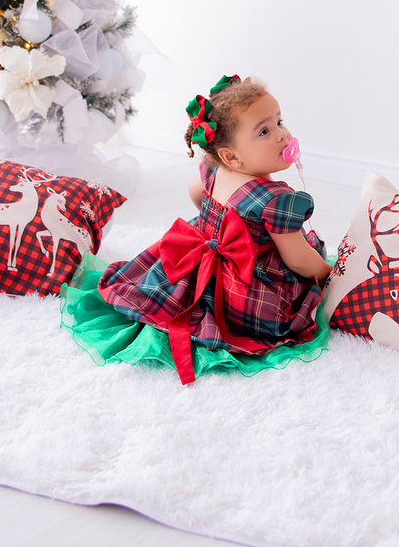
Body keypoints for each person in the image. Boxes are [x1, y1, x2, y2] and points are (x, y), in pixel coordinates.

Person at [62, 74, 331, 384]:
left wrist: (215, 226)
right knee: (302, 278)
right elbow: (298, 259)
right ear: (232, 155)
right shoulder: (277, 200)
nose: (283, 135)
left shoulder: (213, 167)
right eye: (265, 131)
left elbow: (195, 193)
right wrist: (326, 272)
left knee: (173, 288)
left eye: (280, 122)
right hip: (245, 287)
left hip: (203, 251)